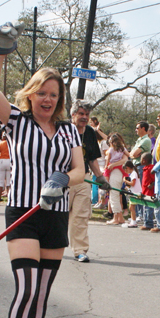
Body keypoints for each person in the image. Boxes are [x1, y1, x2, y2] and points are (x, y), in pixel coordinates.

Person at [0, 26, 83, 318]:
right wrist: (1, 51)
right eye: (42, 92)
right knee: (25, 289)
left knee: (42, 293)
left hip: (55, 215)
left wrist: (62, 180)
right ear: (32, 94)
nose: (48, 99)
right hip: (23, 213)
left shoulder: (70, 130)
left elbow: (80, 170)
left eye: (54, 94)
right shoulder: (17, 120)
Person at [67, 100, 109, 262]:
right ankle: (50, 246)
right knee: (58, 216)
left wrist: (100, 177)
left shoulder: (90, 133)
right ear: (73, 115)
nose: (84, 117)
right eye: (81, 114)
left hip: (84, 178)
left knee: (81, 216)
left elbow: (91, 159)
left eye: (87, 115)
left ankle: (80, 250)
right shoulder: (64, 129)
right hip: (64, 178)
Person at [104, 132, 129, 226]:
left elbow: (109, 161)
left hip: (115, 173)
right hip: (118, 172)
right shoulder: (122, 150)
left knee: (114, 195)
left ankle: (115, 218)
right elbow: (128, 155)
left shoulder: (112, 150)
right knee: (115, 195)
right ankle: (120, 217)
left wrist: (110, 165)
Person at [139, 153, 156, 231]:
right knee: (145, 208)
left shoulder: (150, 168)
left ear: (144, 160)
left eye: (141, 159)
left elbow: (154, 178)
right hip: (144, 191)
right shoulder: (145, 168)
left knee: (148, 209)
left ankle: (149, 223)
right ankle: (146, 222)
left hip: (149, 192)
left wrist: (152, 184)